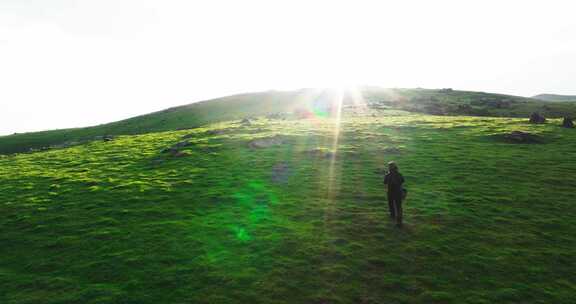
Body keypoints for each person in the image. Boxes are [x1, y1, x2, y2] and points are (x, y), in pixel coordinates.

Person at [384, 161, 405, 227]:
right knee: (399, 207)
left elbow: (384, 182)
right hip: (398, 193)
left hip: (390, 193)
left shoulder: (388, 175)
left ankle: (392, 216)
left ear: (389, 168)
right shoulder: (399, 174)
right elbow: (402, 181)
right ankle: (399, 221)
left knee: (391, 205)